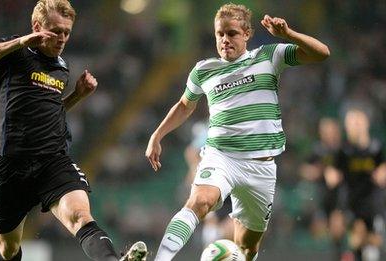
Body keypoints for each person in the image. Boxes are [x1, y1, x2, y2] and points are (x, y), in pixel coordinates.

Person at [145, 3, 330, 261]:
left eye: (231, 33)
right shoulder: (203, 70)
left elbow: (322, 53)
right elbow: (185, 105)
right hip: (222, 157)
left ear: (247, 34)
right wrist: (157, 135)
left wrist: (288, 35)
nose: (225, 40)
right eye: (220, 34)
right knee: (200, 201)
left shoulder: (268, 57)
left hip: (261, 166)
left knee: (246, 248)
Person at [0, 1, 146, 260]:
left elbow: (50, 111)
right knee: (8, 249)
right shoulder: (16, 50)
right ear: (37, 27)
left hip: (51, 159)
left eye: (66, 32)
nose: (62, 38)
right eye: (55, 31)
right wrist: (21, 42)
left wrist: (77, 95)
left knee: (80, 216)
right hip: (9, 164)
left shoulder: (61, 67)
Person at [333, 108, 386, 261]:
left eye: (356, 123)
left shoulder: (376, 147)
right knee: (356, 236)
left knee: (374, 241)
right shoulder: (344, 150)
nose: (353, 127)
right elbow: (334, 173)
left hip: (373, 202)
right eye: (350, 124)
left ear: (365, 124)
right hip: (352, 201)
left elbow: (382, 169)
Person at [299, 117, 347, 260]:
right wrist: (314, 172)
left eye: (329, 130)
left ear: (337, 131)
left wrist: (338, 174)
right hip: (321, 198)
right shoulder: (318, 149)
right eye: (323, 131)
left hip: (341, 197)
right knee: (318, 232)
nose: (327, 134)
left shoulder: (344, 149)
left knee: (337, 229)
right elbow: (304, 169)